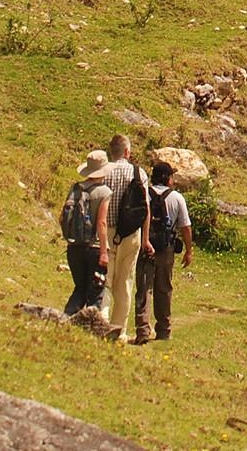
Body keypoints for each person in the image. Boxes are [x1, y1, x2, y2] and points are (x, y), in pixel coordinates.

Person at [96, 134, 153, 341]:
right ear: (127, 152)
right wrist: (146, 239)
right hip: (131, 234)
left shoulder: (104, 172)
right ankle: (119, 331)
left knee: (105, 280)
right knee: (125, 282)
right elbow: (146, 209)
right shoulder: (138, 173)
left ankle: (101, 322)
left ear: (112, 152)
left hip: (106, 232)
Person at [132, 161, 194, 343]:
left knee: (144, 288)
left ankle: (142, 329)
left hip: (145, 246)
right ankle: (163, 329)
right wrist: (189, 250)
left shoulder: (144, 194)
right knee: (164, 288)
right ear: (168, 179)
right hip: (166, 249)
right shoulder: (177, 198)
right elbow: (185, 226)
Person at [59, 151, 110, 318]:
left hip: (74, 246)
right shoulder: (104, 193)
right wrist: (104, 252)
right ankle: (92, 329)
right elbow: (102, 223)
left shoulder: (75, 189)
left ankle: (66, 319)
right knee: (96, 292)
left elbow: (63, 217)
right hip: (94, 248)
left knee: (79, 288)